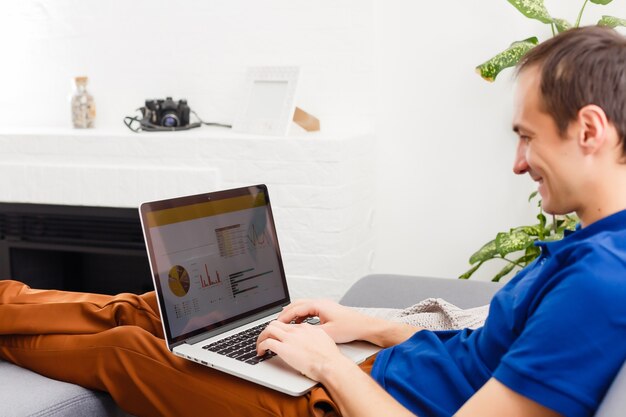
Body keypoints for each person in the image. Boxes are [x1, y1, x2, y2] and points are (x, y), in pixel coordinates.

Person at [1, 25, 625, 417]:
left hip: (332, 403)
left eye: (527, 137)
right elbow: (479, 355)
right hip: (364, 377)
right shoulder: (598, 247)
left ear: (589, 130)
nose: (518, 163)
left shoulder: (601, 284)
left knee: (128, 351)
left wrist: (324, 363)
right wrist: (365, 326)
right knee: (151, 309)